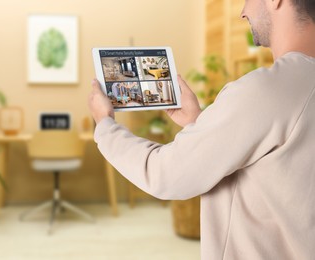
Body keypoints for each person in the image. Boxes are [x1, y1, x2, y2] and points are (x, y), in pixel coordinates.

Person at [89, 0, 315, 259]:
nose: (243, 12)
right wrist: (199, 122)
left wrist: (105, 124)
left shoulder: (267, 89)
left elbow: (167, 174)